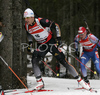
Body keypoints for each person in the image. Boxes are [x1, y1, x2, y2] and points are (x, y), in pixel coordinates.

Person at [23, 8, 91, 90]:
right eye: (25, 18)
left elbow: (56, 26)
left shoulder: (41, 21)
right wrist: (30, 43)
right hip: (41, 45)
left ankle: (81, 82)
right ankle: (39, 82)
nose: (26, 20)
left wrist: (59, 39)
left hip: (51, 42)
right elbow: (29, 33)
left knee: (63, 61)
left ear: (32, 17)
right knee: (34, 59)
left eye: (27, 18)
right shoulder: (26, 26)